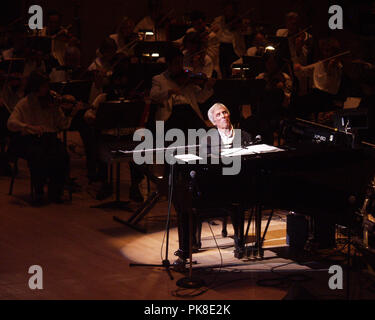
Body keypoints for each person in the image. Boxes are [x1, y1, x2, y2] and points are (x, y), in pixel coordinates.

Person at [173, 102, 253, 265]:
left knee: (239, 198)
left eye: (225, 112)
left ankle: (239, 242)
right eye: (218, 115)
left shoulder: (244, 135)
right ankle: (190, 244)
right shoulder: (207, 139)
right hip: (214, 184)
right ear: (213, 122)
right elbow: (204, 166)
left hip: (240, 184)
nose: (223, 116)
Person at [7, 71, 74, 204]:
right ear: (36, 87)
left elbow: (62, 124)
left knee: (62, 155)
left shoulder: (52, 101)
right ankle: (38, 191)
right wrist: (27, 126)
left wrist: (70, 112)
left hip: (49, 138)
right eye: (44, 86)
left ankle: (55, 191)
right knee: (37, 155)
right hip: (31, 139)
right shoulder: (25, 103)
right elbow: (11, 123)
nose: (47, 89)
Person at [150, 45, 215, 131]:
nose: (180, 66)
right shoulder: (158, 79)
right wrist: (169, 92)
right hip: (169, 118)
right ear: (168, 64)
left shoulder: (187, 78)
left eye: (181, 63)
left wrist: (208, 87)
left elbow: (201, 98)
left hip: (189, 116)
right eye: (177, 63)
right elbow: (154, 95)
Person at [211, 1, 246, 78]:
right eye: (226, 10)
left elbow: (247, 31)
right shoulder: (218, 20)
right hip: (221, 46)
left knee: (233, 69)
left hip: (234, 48)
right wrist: (215, 29)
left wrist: (241, 27)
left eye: (231, 11)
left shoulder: (239, 20)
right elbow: (213, 33)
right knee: (222, 67)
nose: (229, 13)